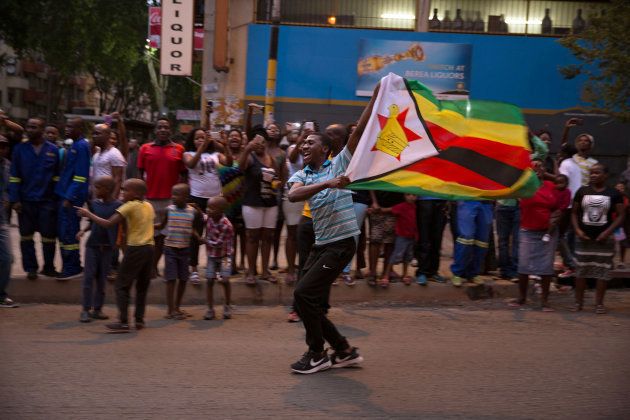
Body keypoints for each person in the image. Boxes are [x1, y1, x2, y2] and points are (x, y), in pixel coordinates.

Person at [286, 87, 376, 374]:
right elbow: (293, 196)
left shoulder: (340, 162)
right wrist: (327, 184)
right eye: (303, 143)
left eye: (310, 142)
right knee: (305, 299)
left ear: (325, 149)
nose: (304, 146)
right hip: (322, 243)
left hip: (342, 242)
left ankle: (316, 353)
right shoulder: (303, 175)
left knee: (302, 295)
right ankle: (343, 350)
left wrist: (376, 97)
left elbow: (359, 131)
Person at [76, 178, 155, 333]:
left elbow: (108, 223)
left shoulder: (128, 206)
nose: (122, 193)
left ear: (137, 193)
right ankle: (139, 320)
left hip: (136, 248)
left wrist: (87, 214)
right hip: (149, 248)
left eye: (126, 190)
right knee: (141, 287)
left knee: (121, 285)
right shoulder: (148, 206)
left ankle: (123, 322)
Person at [509, 161, 566, 311]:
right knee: (524, 265)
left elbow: (559, 203)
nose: (537, 169)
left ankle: (544, 301)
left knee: (546, 267)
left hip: (548, 231)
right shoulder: (522, 187)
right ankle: (522, 298)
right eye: (534, 167)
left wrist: (554, 219)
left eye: (540, 166)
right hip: (527, 230)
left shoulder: (551, 186)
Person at [9, 117, 60, 279]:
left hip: (47, 202)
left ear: (42, 130)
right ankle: (31, 268)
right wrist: (15, 199)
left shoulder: (53, 150)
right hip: (25, 201)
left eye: (34, 127)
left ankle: (49, 267)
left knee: (49, 237)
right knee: (26, 237)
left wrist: (55, 200)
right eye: (28, 127)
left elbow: (57, 177)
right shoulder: (19, 149)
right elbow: (14, 176)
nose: (30, 130)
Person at [572, 164, 624, 314]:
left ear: (605, 175)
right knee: (581, 271)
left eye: (597, 172)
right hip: (584, 239)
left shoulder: (613, 193)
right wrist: (577, 230)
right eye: (591, 172)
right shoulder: (582, 191)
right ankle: (578, 303)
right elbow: (574, 213)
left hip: (604, 240)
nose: (593, 175)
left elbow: (621, 215)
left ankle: (599, 304)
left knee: (602, 272)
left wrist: (607, 232)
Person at [138, 118, 185, 278]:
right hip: (149, 200)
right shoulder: (145, 148)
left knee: (165, 237)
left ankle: (159, 267)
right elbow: (139, 175)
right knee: (150, 236)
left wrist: (182, 197)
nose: (163, 130)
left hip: (171, 201)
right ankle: (150, 266)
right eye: (160, 127)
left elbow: (184, 174)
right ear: (155, 130)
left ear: (170, 130)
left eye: (166, 127)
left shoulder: (179, 149)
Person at [183, 128, 232, 283]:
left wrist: (225, 146)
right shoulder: (188, 154)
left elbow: (229, 163)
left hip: (215, 199)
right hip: (197, 198)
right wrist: (202, 148)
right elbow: (191, 164)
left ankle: (216, 268)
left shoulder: (216, 154)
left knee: (216, 234)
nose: (200, 140)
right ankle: (194, 269)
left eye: (203, 137)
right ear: (192, 140)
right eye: (197, 138)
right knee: (196, 234)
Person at [76, 176, 121, 322]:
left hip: (107, 247)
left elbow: (109, 223)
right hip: (93, 245)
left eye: (98, 187)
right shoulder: (94, 204)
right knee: (88, 278)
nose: (95, 190)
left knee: (102, 280)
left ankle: (97, 309)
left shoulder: (118, 205)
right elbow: (93, 222)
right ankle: (85, 310)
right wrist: (84, 230)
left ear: (107, 190)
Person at [239, 128, 281, 284]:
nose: (260, 145)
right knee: (252, 237)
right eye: (257, 142)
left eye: (263, 142)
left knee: (268, 237)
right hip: (252, 203)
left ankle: (264, 271)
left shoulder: (272, 159)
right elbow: (241, 168)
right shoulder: (250, 157)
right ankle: (251, 272)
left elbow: (277, 178)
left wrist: (276, 182)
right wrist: (247, 148)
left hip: (270, 202)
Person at [155, 183, 201, 319]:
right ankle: (170, 310)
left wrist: (199, 238)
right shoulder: (169, 210)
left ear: (186, 197)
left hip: (184, 249)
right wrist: (149, 226)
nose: (173, 197)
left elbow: (191, 228)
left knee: (183, 279)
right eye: (172, 194)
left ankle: (177, 307)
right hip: (170, 248)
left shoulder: (192, 212)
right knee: (171, 279)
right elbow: (162, 225)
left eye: (177, 194)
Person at [558, 129, 598, 279]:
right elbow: (561, 181)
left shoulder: (595, 164)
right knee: (564, 235)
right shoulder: (568, 162)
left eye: (586, 140)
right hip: (569, 204)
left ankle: (582, 265)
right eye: (580, 140)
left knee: (583, 235)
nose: (583, 142)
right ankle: (571, 264)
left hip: (589, 204)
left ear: (591, 145)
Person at [56, 117, 90, 279]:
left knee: (69, 232)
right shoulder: (75, 145)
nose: (67, 129)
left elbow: (81, 176)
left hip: (72, 198)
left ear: (80, 129)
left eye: (71, 127)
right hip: (65, 195)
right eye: (67, 126)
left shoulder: (81, 146)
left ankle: (72, 267)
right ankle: (69, 265)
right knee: (65, 233)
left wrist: (70, 197)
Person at [450, 200, 494, 287]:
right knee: (466, 237)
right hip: (467, 200)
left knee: (482, 241)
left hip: (486, 201)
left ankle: (474, 273)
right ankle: (457, 273)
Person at [204, 196, 234, 320]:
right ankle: (210, 309)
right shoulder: (210, 218)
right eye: (207, 207)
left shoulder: (226, 225)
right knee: (209, 280)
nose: (208, 210)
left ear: (221, 210)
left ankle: (227, 306)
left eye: (211, 208)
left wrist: (204, 241)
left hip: (225, 256)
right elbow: (203, 216)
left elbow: (218, 243)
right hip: (212, 256)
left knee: (225, 280)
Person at [378, 193, 418, 287]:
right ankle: (386, 276)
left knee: (407, 257)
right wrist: (377, 209)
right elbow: (389, 210)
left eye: (414, 195)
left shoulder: (416, 207)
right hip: (401, 236)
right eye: (409, 195)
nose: (411, 197)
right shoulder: (401, 206)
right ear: (404, 196)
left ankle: (405, 275)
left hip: (411, 237)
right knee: (395, 255)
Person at [265, 122, 287, 271]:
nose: (273, 130)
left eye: (276, 129)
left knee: (277, 228)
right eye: (270, 128)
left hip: (275, 192)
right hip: (259, 191)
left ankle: (274, 259)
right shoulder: (259, 149)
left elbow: (283, 175)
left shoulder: (281, 153)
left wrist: (280, 185)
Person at [415, 196, 448, 285]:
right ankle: (422, 272)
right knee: (424, 238)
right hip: (423, 199)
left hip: (441, 199)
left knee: (437, 239)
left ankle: (433, 272)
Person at [0, 135, 17, 308]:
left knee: (7, 258)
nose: (1, 149)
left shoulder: (8, 167)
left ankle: (1, 294)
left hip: (1, 220)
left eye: (4, 146)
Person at [91, 124, 126, 198]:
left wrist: (112, 201)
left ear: (107, 135)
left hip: (107, 200)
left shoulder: (114, 153)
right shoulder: (96, 154)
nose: (94, 136)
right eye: (93, 134)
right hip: (96, 198)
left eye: (97, 133)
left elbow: (118, 179)